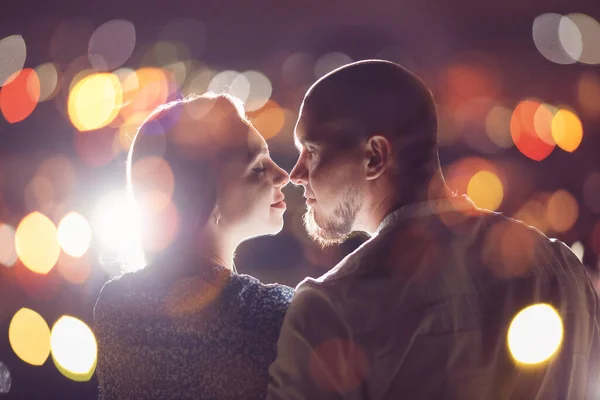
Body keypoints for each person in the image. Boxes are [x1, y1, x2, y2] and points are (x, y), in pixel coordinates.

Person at [267, 60, 600, 399]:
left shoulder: (331, 310)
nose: (296, 174)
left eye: (311, 151)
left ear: (374, 156)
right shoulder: (562, 270)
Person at [94, 93, 293, 400]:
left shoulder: (116, 305)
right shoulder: (272, 314)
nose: (282, 175)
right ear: (199, 197)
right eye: (258, 167)